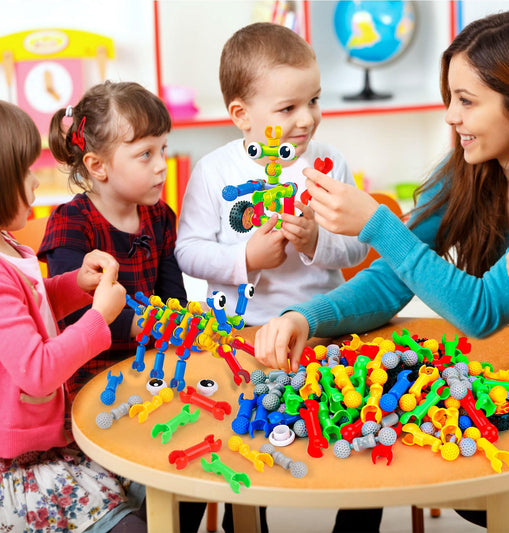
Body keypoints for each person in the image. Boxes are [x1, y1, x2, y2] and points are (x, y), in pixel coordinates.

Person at [255, 11, 509, 532]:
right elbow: (393, 280)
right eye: (450, 97)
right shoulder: (470, 173)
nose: (450, 116)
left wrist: (377, 225)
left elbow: (480, 311)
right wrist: (307, 317)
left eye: (466, 101)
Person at [0, 94, 148, 532]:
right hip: (14, 463)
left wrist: (76, 285)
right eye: (24, 172)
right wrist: (99, 318)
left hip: (45, 436)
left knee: (152, 479)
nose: (36, 182)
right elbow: (36, 371)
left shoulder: (3, 243)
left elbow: (32, 306)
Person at [175, 22, 369, 328]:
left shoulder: (329, 163)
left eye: (313, 101)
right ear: (242, 115)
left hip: (319, 324)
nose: (307, 119)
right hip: (240, 327)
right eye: (288, 108)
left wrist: (316, 241)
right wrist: (246, 258)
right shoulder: (213, 171)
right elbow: (188, 252)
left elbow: (359, 245)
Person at [38, 81, 187, 397]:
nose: (162, 165)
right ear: (98, 166)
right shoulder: (71, 222)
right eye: (145, 154)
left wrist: (184, 320)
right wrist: (145, 324)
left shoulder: (160, 216)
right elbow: (72, 315)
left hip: (154, 365)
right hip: (92, 378)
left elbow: (173, 296)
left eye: (163, 149)